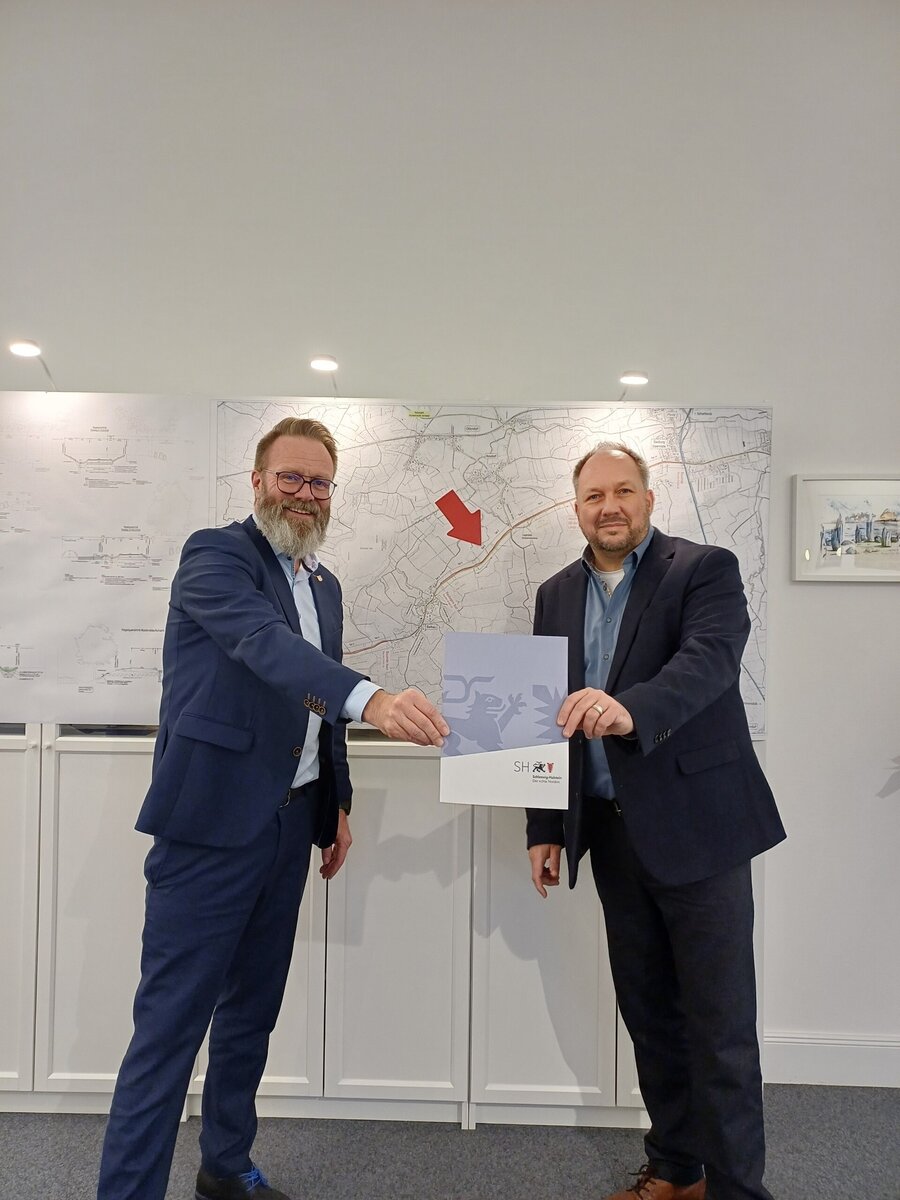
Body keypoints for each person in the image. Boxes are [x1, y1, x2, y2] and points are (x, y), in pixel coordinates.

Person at [97, 416, 448, 1200]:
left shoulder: (325, 586)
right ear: (257, 481)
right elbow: (265, 646)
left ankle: (225, 1166)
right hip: (210, 828)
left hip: (290, 825)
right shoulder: (216, 556)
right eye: (290, 477)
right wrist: (374, 698)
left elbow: (316, 703)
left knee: (252, 1013)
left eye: (319, 482)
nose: (304, 494)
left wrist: (337, 802)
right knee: (169, 1030)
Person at [527, 443, 785, 1200]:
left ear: (647, 497)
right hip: (611, 834)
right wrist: (545, 826)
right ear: (576, 509)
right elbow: (545, 714)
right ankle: (676, 1169)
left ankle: (737, 1190)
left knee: (720, 1026)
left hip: (701, 829)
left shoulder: (703, 570)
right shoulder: (553, 594)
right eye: (593, 496)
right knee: (649, 1016)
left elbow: (709, 662)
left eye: (622, 491)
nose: (608, 506)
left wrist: (628, 708)